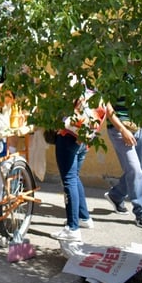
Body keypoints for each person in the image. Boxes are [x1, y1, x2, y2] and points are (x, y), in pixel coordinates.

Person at [51, 80, 106, 243]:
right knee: (74, 177)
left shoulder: (67, 79)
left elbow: (59, 106)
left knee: (69, 180)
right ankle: (84, 217)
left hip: (68, 136)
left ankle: (72, 228)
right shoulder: (86, 83)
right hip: (84, 139)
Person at [104, 95, 142, 229]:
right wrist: (122, 130)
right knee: (134, 170)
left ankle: (116, 195)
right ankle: (141, 212)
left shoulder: (139, 74)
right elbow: (106, 106)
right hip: (119, 129)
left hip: (138, 127)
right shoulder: (110, 75)